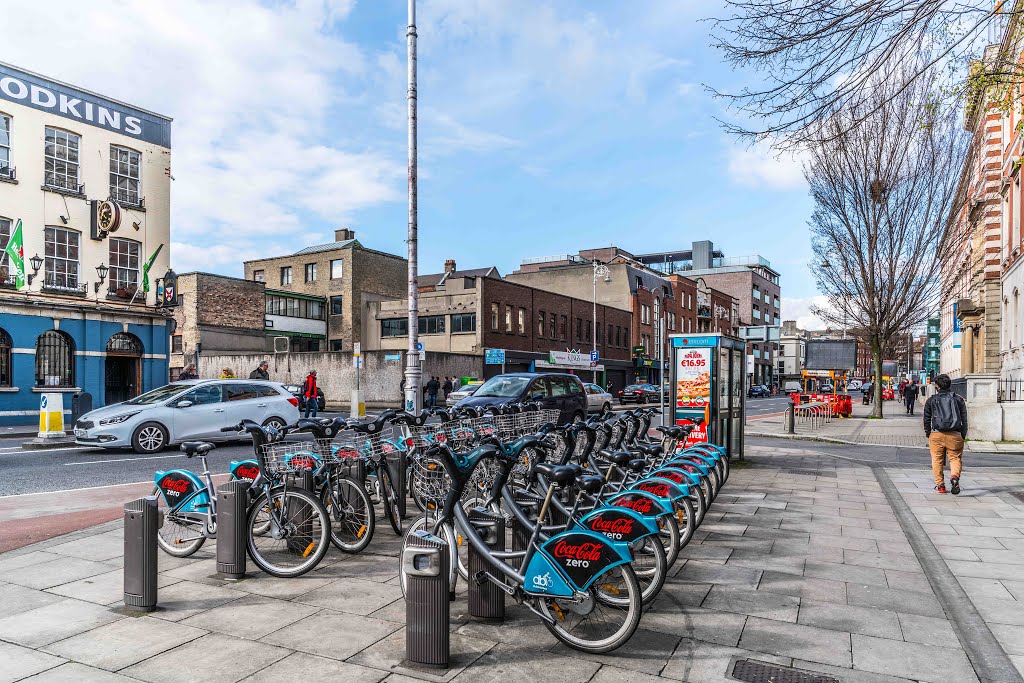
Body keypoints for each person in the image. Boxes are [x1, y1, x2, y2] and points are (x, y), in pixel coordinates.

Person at [923, 374, 968, 495]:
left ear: (937, 386)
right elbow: (964, 418)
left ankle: (940, 486)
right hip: (955, 434)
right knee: (955, 458)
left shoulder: (931, 400)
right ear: (950, 385)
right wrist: (963, 434)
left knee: (937, 460)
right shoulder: (958, 399)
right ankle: (954, 477)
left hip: (936, 434)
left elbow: (926, 419)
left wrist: (928, 433)